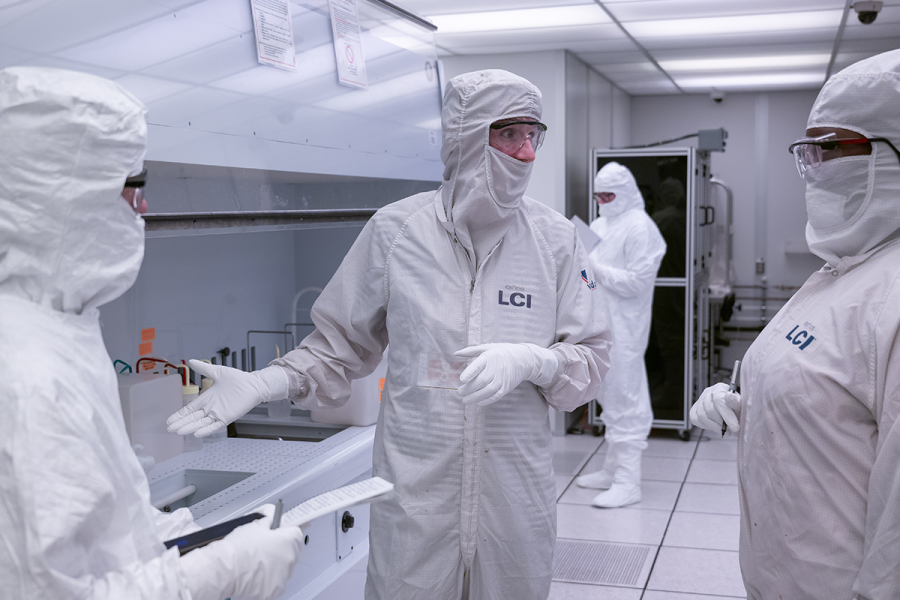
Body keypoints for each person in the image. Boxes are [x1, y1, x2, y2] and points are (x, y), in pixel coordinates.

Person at [168, 69, 612, 600]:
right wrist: (266, 384)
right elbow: (337, 348)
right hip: (418, 499)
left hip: (513, 501)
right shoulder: (397, 231)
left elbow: (592, 360)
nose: (526, 153)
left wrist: (536, 362)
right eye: (509, 133)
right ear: (469, 136)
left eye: (533, 135)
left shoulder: (555, 240)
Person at [0, 66, 305, 600]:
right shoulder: (24, 372)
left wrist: (183, 539)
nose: (141, 210)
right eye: (130, 187)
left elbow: (103, 526)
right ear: (62, 198)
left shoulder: (59, 327)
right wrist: (223, 570)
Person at [690, 49, 900, 600]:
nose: (813, 168)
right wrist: (742, 398)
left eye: (830, 148)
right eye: (807, 151)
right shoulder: (840, 273)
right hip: (782, 573)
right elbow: (825, 387)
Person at [575, 163, 666, 508]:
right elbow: (585, 275)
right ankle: (612, 470)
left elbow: (637, 283)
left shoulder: (642, 228)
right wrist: (586, 274)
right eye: (598, 195)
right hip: (597, 325)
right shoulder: (599, 224)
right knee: (607, 397)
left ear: (625, 193)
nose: (602, 202)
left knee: (626, 400)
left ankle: (629, 482)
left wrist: (595, 269)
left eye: (608, 195)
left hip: (625, 331)